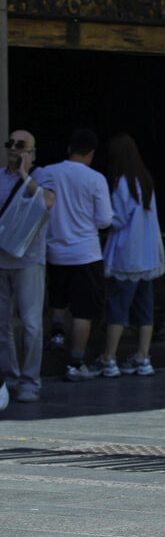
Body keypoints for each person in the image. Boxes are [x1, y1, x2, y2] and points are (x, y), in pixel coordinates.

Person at [94, 134, 165, 377]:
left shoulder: (122, 182)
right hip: (146, 256)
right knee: (145, 309)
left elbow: (119, 218)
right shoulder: (144, 180)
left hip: (127, 254)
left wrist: (100, 218)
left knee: (118, 308)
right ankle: (143, 357)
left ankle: (108, 358)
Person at [44, 128, 113, 381]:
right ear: (92, 153)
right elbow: (105, 219)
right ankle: (75, 362)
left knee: (58, 297)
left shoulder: (47, 173)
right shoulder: (95, 179)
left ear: (69, 148)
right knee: (83, 310)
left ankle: (57, 331)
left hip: (55, 250)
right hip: (85, 252)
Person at [0, 129, 55, 403]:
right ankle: (9, 378)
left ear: (31, 152)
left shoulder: (42, 176)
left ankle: (30, 380)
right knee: (2, 323)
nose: (13, 148)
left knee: (31, 322)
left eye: (20, 145)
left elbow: (47, 201)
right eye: (10, 143)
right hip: (1, 258)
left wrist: (24, 174)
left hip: (29, 259)